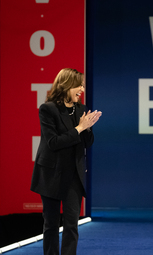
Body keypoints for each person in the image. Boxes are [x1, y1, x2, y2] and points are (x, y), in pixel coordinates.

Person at [31, 68, 102, 255]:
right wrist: (79, 128)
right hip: (51, 174)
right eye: (79, 85)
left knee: (71, 225)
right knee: (51, 225)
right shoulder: (48, 109)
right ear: (66, 85)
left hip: (74, 176)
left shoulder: (82, 109)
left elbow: (88, 143)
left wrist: (87, 129)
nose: (82, 89)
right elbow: (53, 143)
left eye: (83, 85)